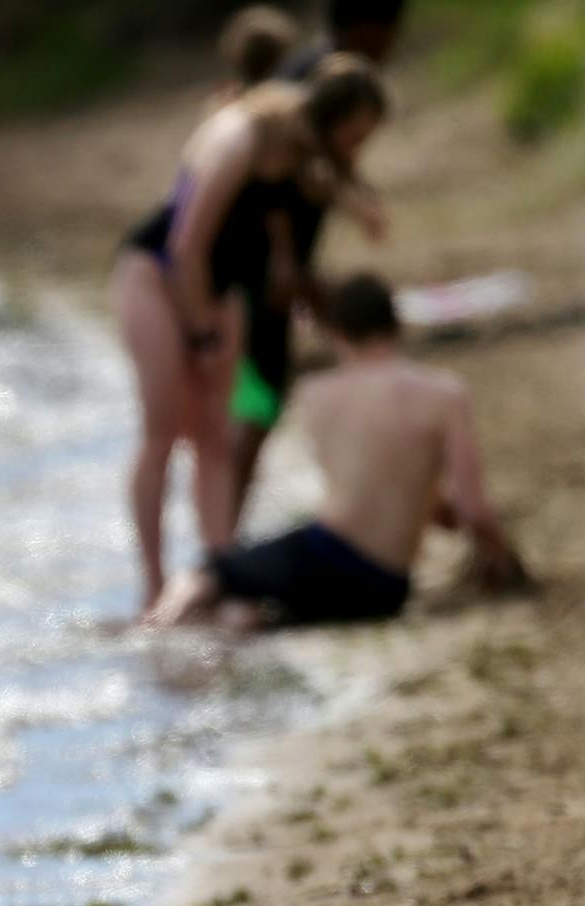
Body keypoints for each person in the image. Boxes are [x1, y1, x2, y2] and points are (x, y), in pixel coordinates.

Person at [114, 55, 389, 616]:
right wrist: (201, 336)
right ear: (327, 119)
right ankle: (153, 586)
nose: (357, 150)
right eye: (356, 136)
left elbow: (329, 198)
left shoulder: (301, 154)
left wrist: (362, 211)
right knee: (163, 430)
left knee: (216, 436)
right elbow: (187, 243)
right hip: (156, 275)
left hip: (219, 291)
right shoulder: (241, 136)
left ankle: (222, 575)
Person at [155, 273, 530, 630]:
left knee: (208, 574)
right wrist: (500, 557)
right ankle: (220, 632)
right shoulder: (445, 394)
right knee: (252, 614)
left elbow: (367, 478)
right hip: (384, 588)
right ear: (396, 327)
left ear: (335, 334)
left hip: (330, 551)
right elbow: (471, 508)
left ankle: (152, 628)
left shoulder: (316, 394)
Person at [232, 0, 411, 521]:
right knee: (260, 401)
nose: (390, 49)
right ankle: (223, 539)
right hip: (266, 271)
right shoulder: (317, 80)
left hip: (275, 269)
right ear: (366, 26)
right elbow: (272, 176)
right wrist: (288, 264)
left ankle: (227, 529)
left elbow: (322, 164)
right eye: (388, 35)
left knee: (264, 397)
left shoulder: (316, 75)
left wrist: (357, 198)